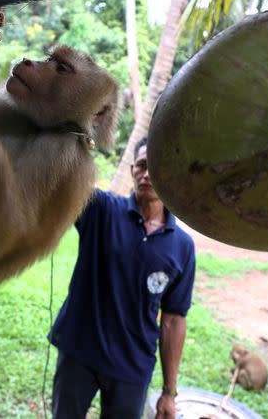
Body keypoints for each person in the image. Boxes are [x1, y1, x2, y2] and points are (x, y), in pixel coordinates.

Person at [48, 136, 196, 419]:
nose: (148, 174)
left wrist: (169, 391)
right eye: (142, 165)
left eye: (157, 167)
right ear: (132, 171)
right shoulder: (101, 210)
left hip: (133, 366)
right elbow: (63, 178)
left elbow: (174, 320)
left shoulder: (182, 246)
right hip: (80, 353)